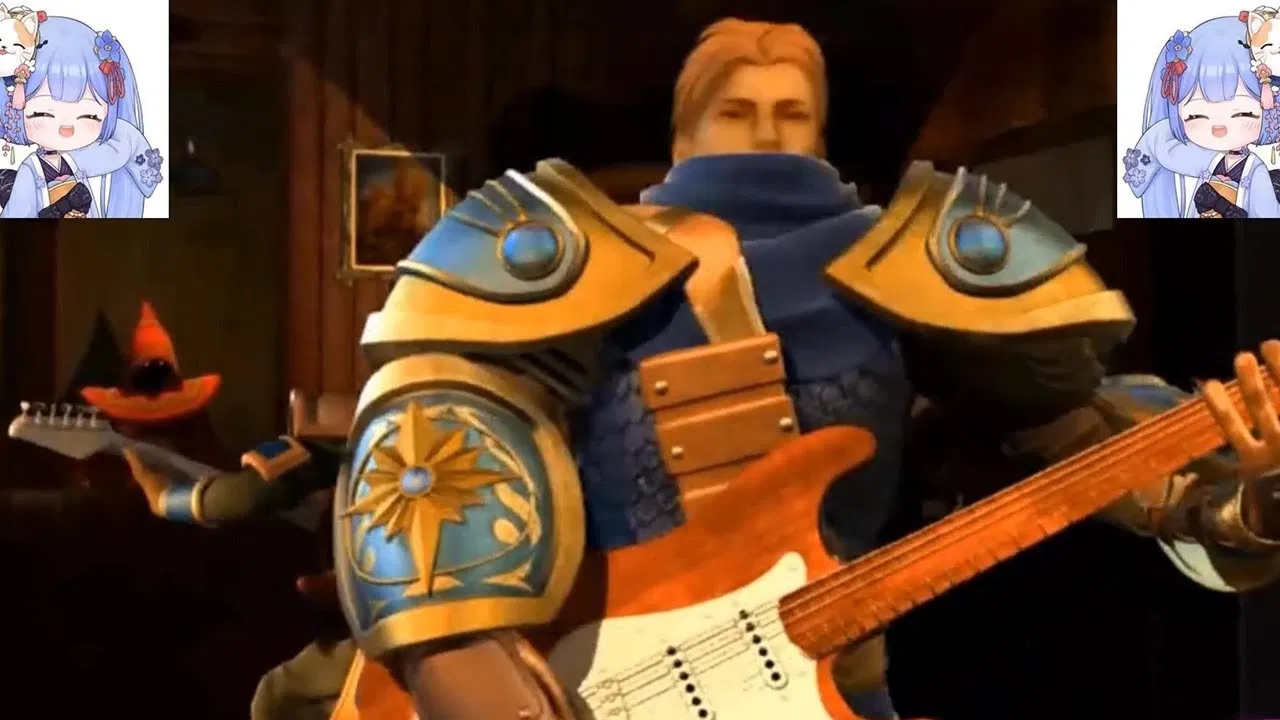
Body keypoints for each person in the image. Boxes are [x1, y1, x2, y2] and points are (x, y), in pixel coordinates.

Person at [130, 18, 1280, 720]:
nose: (766, 132)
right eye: (737, 109)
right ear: (683, 133)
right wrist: (458, 655)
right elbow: (432, 432)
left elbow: (1082, 432)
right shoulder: (544, 247)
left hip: (823, 682)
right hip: (576, 673)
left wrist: (1230, 495)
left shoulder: (916, 261)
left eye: (791, 112)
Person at [0, 15, 161, 218]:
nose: (66, 128)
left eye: (89, 115)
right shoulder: (30, 170)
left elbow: (123, 146)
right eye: (41, 113)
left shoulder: (80, 159)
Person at [1123, 15, 1280, 218]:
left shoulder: (1255, 170)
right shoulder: (1205, 159)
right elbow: (1162, 145)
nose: (1218, 128)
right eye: (1196, 116)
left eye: (1243, 113)